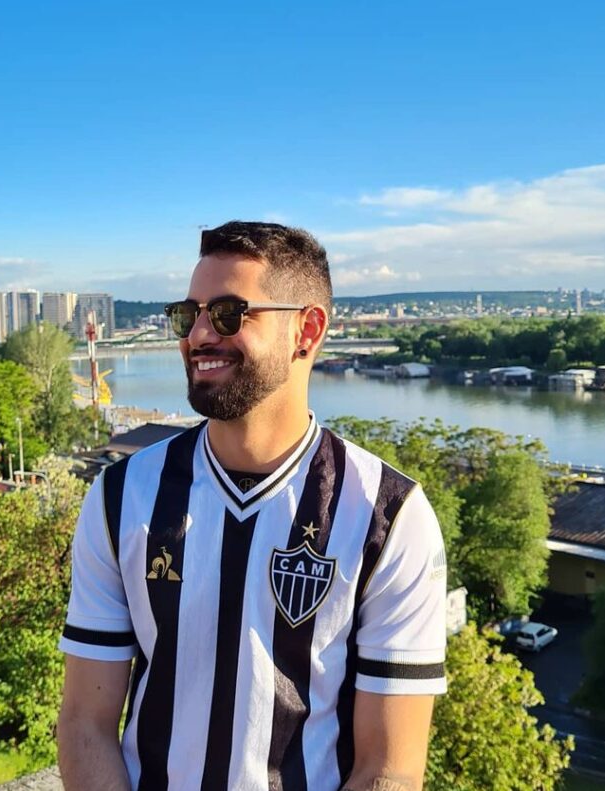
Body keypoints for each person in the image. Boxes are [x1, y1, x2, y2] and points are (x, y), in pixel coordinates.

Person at [57, 221, 447, 791]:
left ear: (306, 331)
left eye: (228, 313)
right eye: (187, 315)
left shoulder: (388, 515)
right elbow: (85, 722)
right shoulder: (122, 498)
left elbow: (389, 767)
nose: (197, 336)